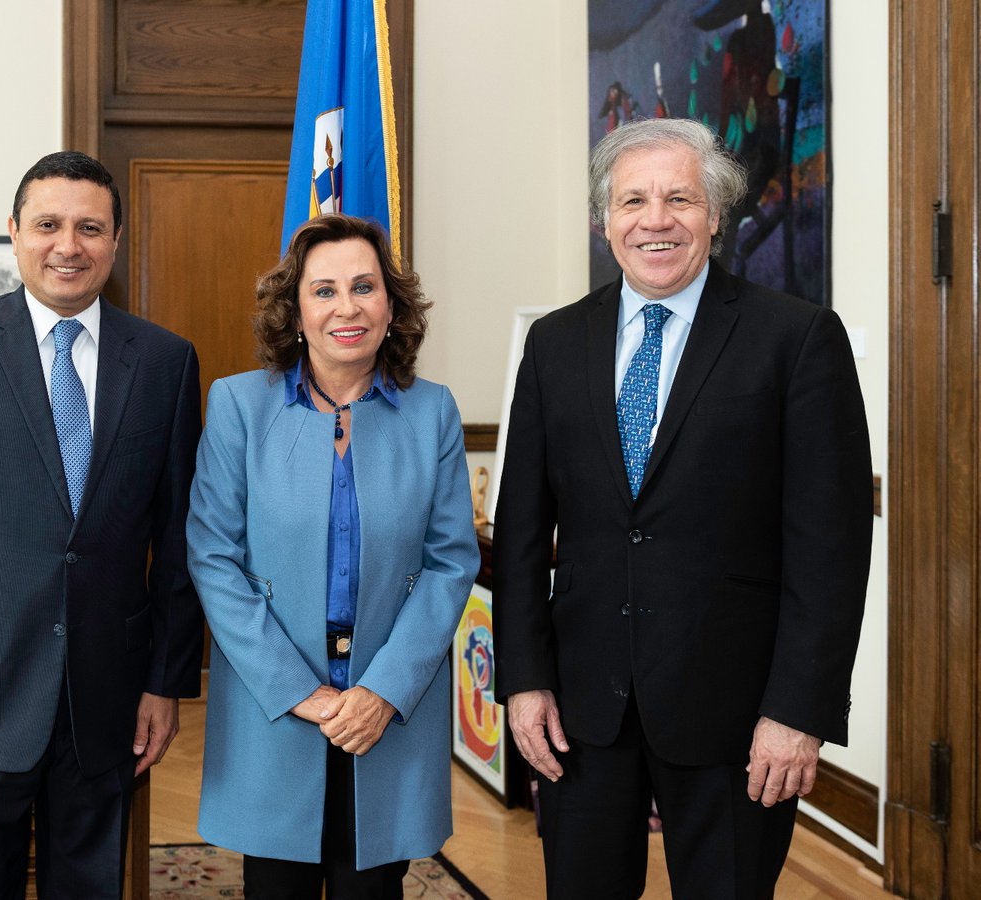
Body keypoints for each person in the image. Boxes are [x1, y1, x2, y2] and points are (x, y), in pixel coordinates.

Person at [492, 118, 873, 898]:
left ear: (716, 217)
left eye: (680, 199)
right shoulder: (555, 344)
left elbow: (829, 550)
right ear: (605, 223)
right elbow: (524, 536)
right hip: (583, 714)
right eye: (633, 200)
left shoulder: (796, 340)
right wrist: (525, 681)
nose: (655, 220)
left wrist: (798, 711)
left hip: (736, 719)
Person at [0, 150, 203, 898]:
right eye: (48, 224)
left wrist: (165, 683)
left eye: (90, 227)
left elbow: (179, 539)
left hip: (109, 700)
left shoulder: (164, 362)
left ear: (115, 242)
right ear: (14, 233)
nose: (68, 245)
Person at [186, 213, 480, 900]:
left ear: (391, 304)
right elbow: (212, 557)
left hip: (388, 715)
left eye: (363, 287)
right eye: (324, 290)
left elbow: (449, 563)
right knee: (276, 886)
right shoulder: (237, 406)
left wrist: (381, 692)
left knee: (373, 887)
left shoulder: (432, 411)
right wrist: (303, 693)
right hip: (277, 710)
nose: (346, 307)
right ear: (295, 312)